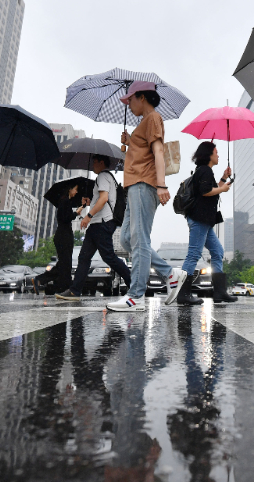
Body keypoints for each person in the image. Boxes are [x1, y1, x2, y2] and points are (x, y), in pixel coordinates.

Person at [106, 81, 183, 312]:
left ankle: (136, 296)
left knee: (139, 240)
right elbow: (144, 152)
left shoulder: (152, 119)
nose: (128, 104)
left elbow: (158, 151)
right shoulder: (144, 123)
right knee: (128, 239)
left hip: (144, 184)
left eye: (130, 99)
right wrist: (130, 143)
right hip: (134, 187)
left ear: (142, 97)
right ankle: (170, 274)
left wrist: (161, 185)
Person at [168, 142, 238, 305]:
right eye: (216, 152)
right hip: (199, 220)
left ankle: (220, 292)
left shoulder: (205, 172)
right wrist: (222, 189)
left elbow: (212, 190)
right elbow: (207, 192)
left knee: (218, 251)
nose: (218, 155)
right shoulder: (204, 171)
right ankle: (183, 294)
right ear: (209, 155)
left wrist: (223, 179)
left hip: (204, 221)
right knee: (193, 254)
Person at [55, 155, 132, 301]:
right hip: (99, 223)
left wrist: (88, 215)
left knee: (108, 257)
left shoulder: (103, 176)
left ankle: (134, 284)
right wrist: (90, 202)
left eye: (95, 162)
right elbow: (101, 199)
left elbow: (103, 199)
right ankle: (74, 291)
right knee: (84, 257)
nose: (93, 165)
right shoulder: (108, 178)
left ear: (101, 162)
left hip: (101, 223)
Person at [31, 182, 88, 295]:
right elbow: (65, 218)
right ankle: (44, 280)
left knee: (64, 264)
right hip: (63, 236)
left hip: (64, 235)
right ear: (69, 190)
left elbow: (66, 215)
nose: (76, 192)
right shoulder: (64, 201)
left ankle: (61, 287)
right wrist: (76, 213)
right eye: (75, 189)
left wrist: (82, 207)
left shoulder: (66, 201)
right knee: (64, 264)